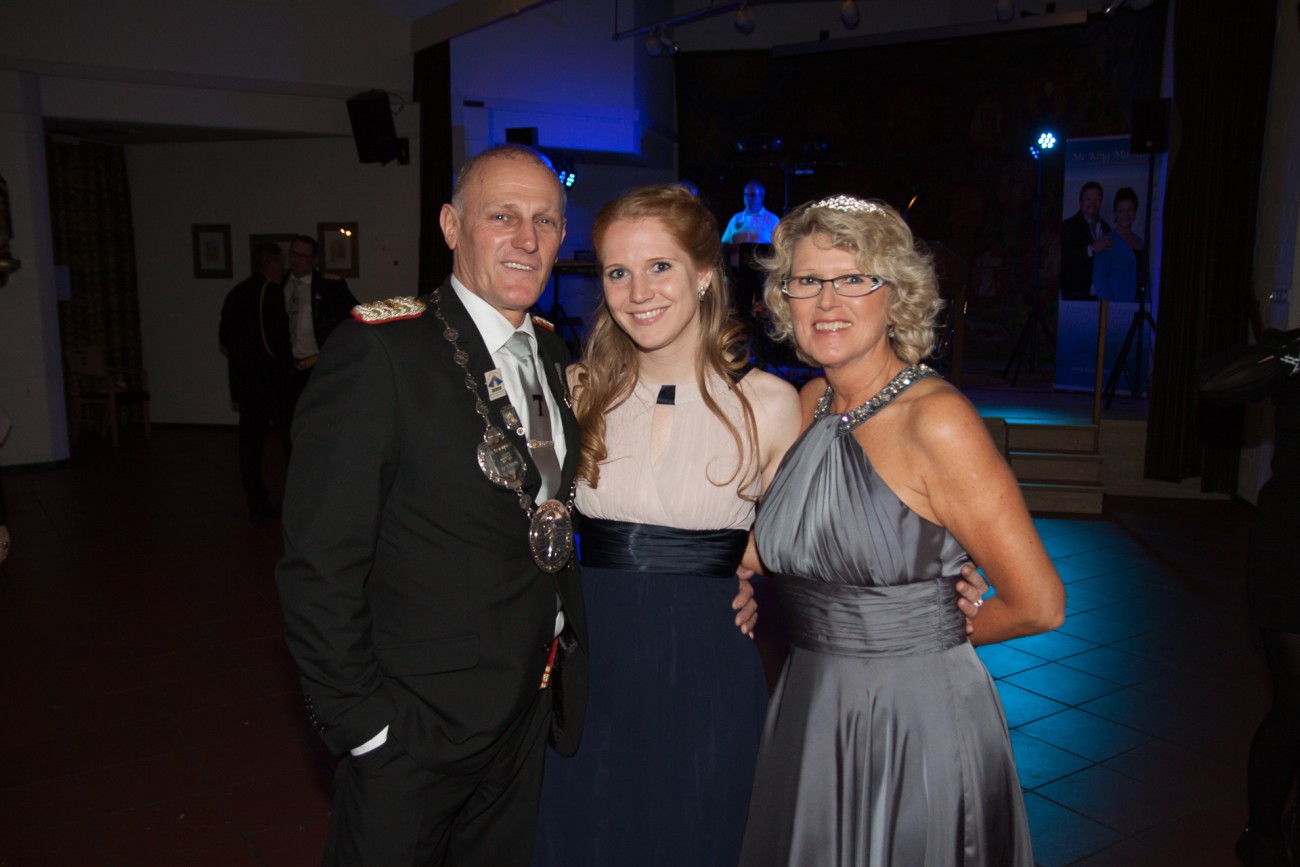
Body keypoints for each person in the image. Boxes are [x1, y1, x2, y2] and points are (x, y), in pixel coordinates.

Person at [275, 144, 599, 867]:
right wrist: (365, 727)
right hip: (419, 721)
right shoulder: (383, 351)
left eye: (546, 220)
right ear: (452, 226)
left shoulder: (550, 352)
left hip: (527, 702)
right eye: (502, 216)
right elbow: (319, 560)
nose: (527, 239)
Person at [738, 194, 1066, 866]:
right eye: (808, 280)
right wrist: (734, 575)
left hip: (914, 717)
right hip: (810, 701)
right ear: (784, 299)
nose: (828, 301)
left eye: (854, 278)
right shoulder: (810, 403)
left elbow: (1040, 603)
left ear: (896, 296)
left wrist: (920, 625)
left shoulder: (936, 420)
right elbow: (790, 545)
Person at [531, 184, 802, 867]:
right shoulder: (577, 389)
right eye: (617, 271)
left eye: (660, 266)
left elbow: (805, 539)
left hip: (709, 666)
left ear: (704, 273)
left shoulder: (769, 404)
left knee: (702, 834)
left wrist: (749, 572)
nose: (638, 291)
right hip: (594, 664)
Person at [1199, 330, 1300, 867]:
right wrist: (1295, 348)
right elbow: (1216, 383)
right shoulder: (1294, 358)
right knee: (1297, 705)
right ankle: (1262, 836)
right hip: (1292, 552)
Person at [218, 241, 292, 522]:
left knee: (249, 445)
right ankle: (297, 497)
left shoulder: (236, 292)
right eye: (280, 263)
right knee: (291, 438)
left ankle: (256, 502)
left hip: (245, 381)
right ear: (271, 264)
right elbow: (276, 340)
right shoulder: (269, 291)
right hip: (269, 382)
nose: (283, 268)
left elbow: (225, 336)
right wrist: (285, 368)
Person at [283, 233, 358, 414]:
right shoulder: (279, 283)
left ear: (313, 259)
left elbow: (352, 316)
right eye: (293, 254)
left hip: (317, 363)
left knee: (319, 412)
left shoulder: (329, 285)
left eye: (302, 256)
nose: (296, 260)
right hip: (287, 364)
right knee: (287, 412)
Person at [1060, 181, 1113, 300]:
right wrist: (1092, 249)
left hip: (1101, 294)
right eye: (1088, 198)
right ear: (1081, 201)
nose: (1093, 203)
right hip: (1075, 294)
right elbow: (1065, 257)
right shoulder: (1068, 226)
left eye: (1097, 199)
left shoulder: (1106, 228)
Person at [1092, 186, 1144, 303]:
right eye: (1121, 211)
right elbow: (1099, 278)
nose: (1126, 214)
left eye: (1130, 210)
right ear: (1115, 214)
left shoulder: (1139, 240)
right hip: (1117, 306)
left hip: (1139, 305)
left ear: (1135, 212)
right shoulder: (1107, 240)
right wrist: (1111, 307)